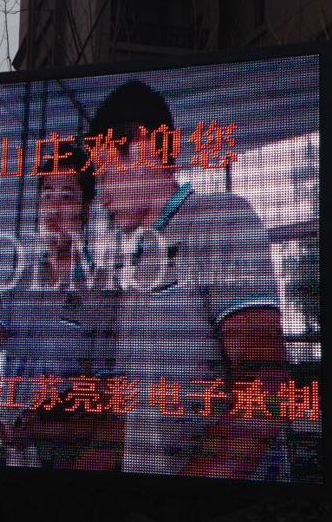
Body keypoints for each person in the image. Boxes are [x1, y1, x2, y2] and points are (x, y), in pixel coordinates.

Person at [87, 80, 290, 480]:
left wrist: (188, 495)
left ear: (143, 148)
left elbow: (265, 385)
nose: (102, 194)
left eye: (105, 171)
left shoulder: (220, 219)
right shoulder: (137, 262)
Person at [0, 143, 122, 470]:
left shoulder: (103, 292)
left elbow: (107, 399)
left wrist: (41, 428)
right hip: (13, 453)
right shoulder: (19, 284)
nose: (54, 209)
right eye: (47, 195)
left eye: (67, 196)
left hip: (70, 460)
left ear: (86, 208)